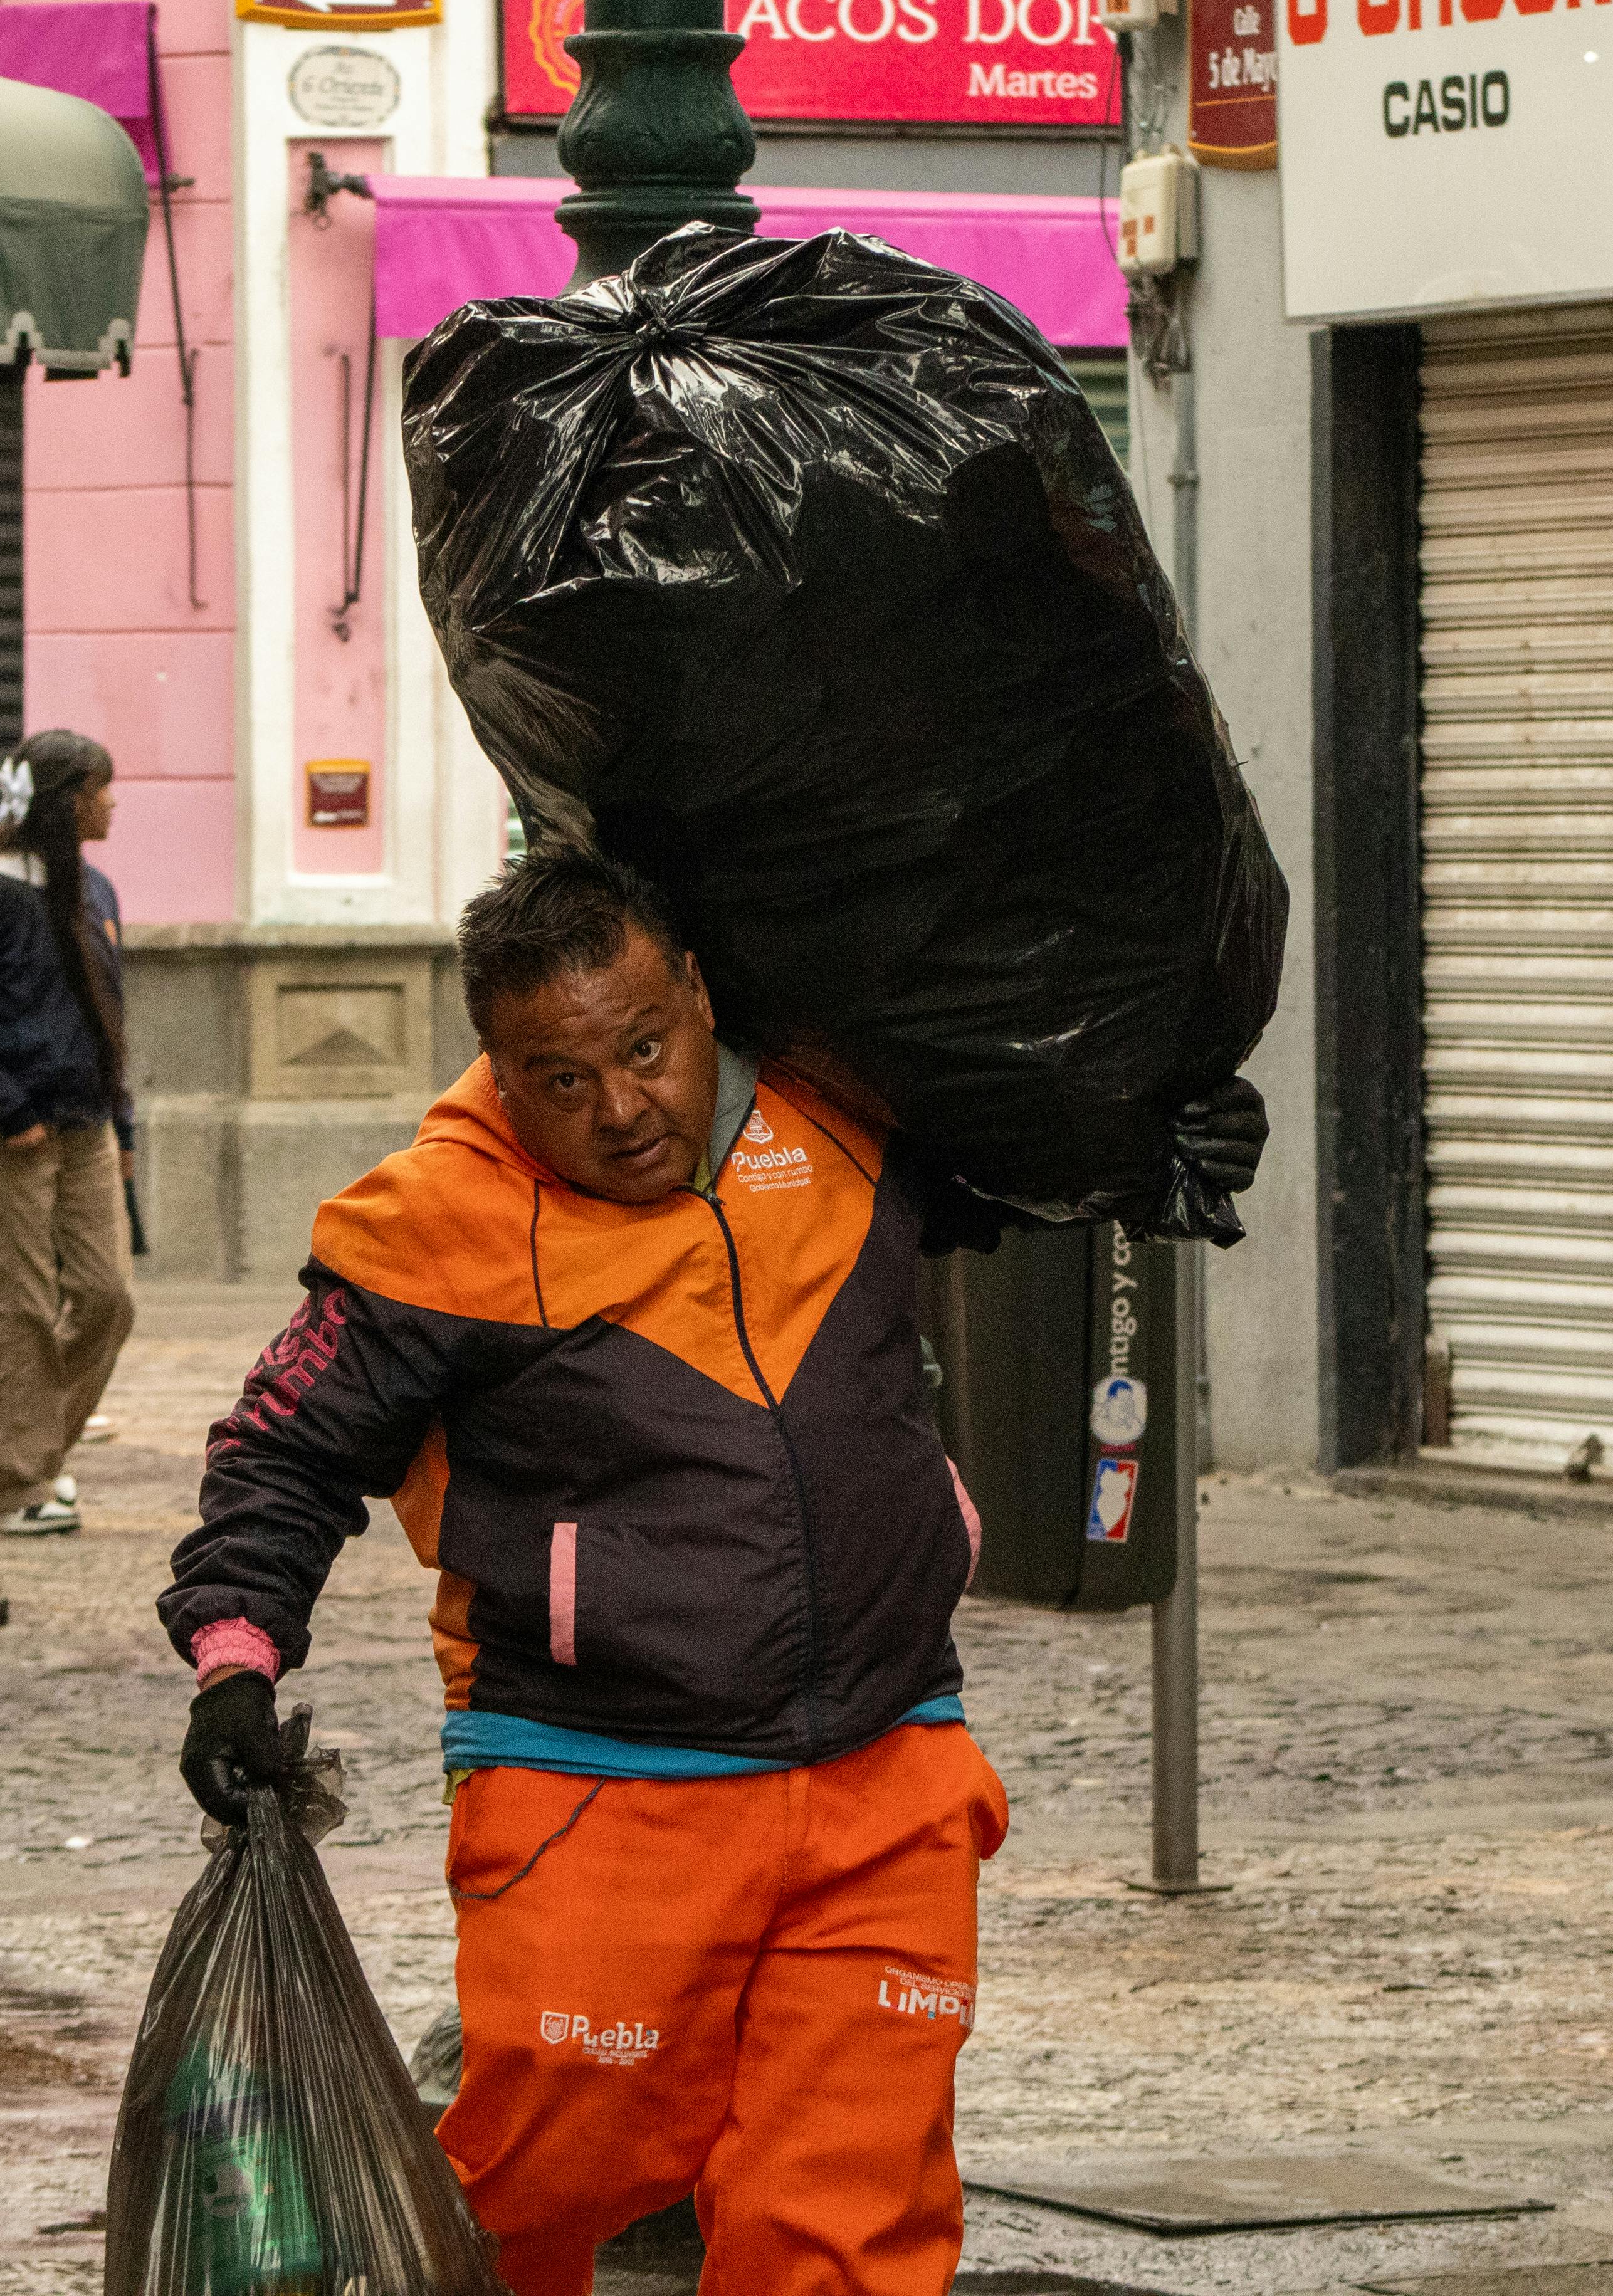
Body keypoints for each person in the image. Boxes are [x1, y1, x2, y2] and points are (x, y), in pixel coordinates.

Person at [160, 850, 1267, 2296]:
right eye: (561, 1078)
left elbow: (1018, 1177)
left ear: (694, 991)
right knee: (557, 2163)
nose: (622, 1108)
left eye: (642, 1046)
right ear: (497, 1070)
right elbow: (282, 1450)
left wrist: (1149, 1139)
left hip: (885, 1771)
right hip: (597, 1789)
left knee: (851, 2213)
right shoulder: (434, 1222)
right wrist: (236, 1659)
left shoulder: (842, 1118)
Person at [0, 728, 137, 1536]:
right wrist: (9, 1111)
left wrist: (123, 1125)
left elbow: (109, 1018)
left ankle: (39, 1450)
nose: (113, 802)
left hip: (87, 1124)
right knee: (18, 1302)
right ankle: (15, 1485)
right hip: (15, 1128)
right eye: (101, 789)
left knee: (108, 1298)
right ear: (67, 801)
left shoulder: (98, 892)